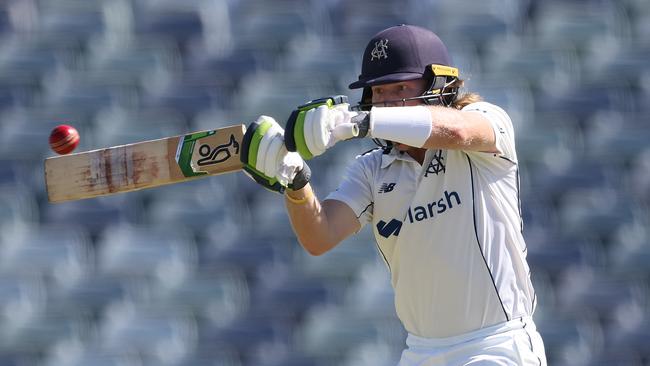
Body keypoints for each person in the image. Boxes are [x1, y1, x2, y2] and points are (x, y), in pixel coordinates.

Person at [240, 24, 547, 365]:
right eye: (379, 93)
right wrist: (294, 181)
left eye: (400, 87)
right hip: (420, 351)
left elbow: (458, 131)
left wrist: (360, 122)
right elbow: (319, 235)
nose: (386, 103)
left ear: (439, 86)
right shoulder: (372, 169)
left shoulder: (486, 123)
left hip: (495, 344)